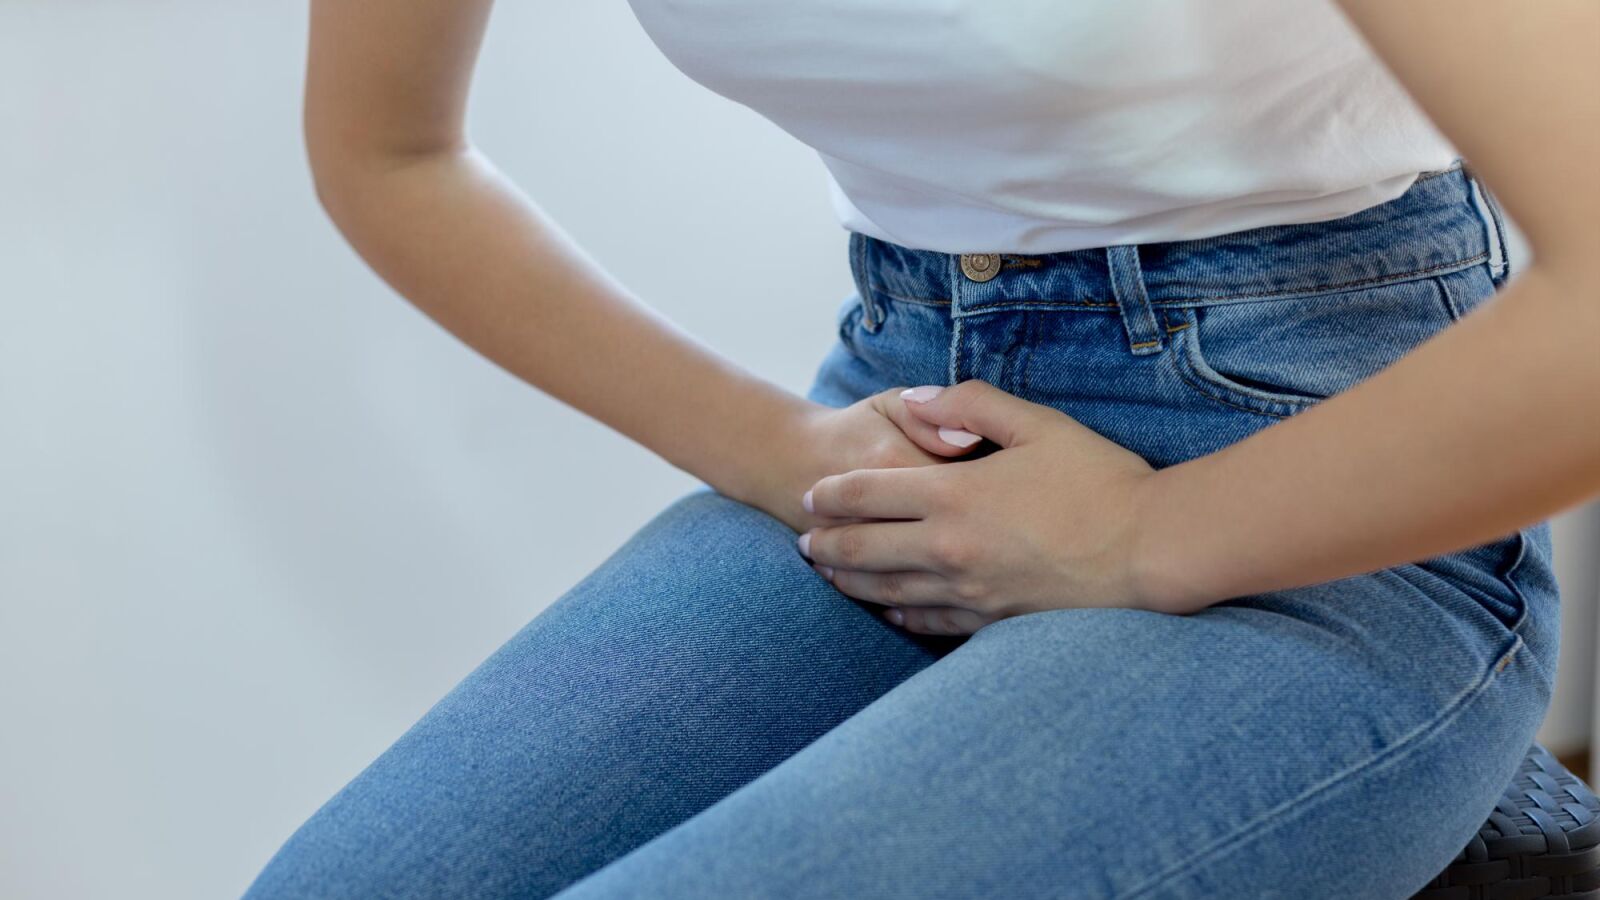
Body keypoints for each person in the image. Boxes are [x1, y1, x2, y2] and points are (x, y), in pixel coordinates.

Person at [245, 1, 1600, 897]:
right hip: (913, 397)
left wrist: (1143, 540)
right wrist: (780, 444)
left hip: (1318, 456)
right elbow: (390, 152)